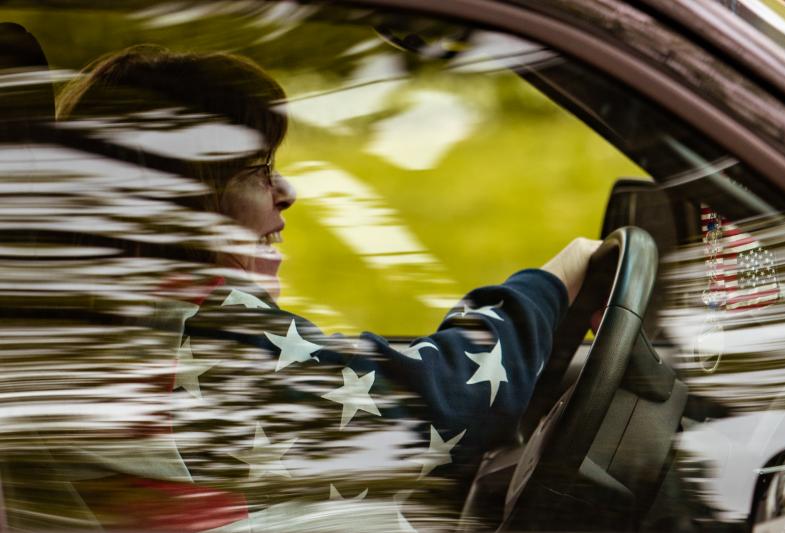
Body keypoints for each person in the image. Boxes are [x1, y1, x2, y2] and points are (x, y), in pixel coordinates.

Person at [51, 45, 601, 532]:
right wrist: (558, 278)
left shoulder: (99, 322)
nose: (286, 192)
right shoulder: (197, 330)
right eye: (256, 170)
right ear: (181, 201)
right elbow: (444, 402)